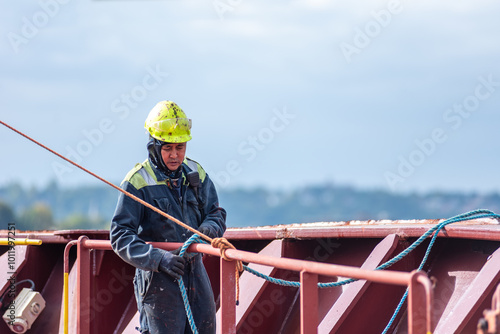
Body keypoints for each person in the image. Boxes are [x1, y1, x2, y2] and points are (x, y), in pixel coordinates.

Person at [110, 100, 227, 334]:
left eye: (180, 147)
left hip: (195, 273)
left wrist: (206, 231)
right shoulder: (138, 181)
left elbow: (216, 214)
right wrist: (158, 259)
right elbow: (120, 236)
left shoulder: (196, 174)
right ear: (153, 147)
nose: (175, 155)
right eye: (167, 148)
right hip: (157, 279)